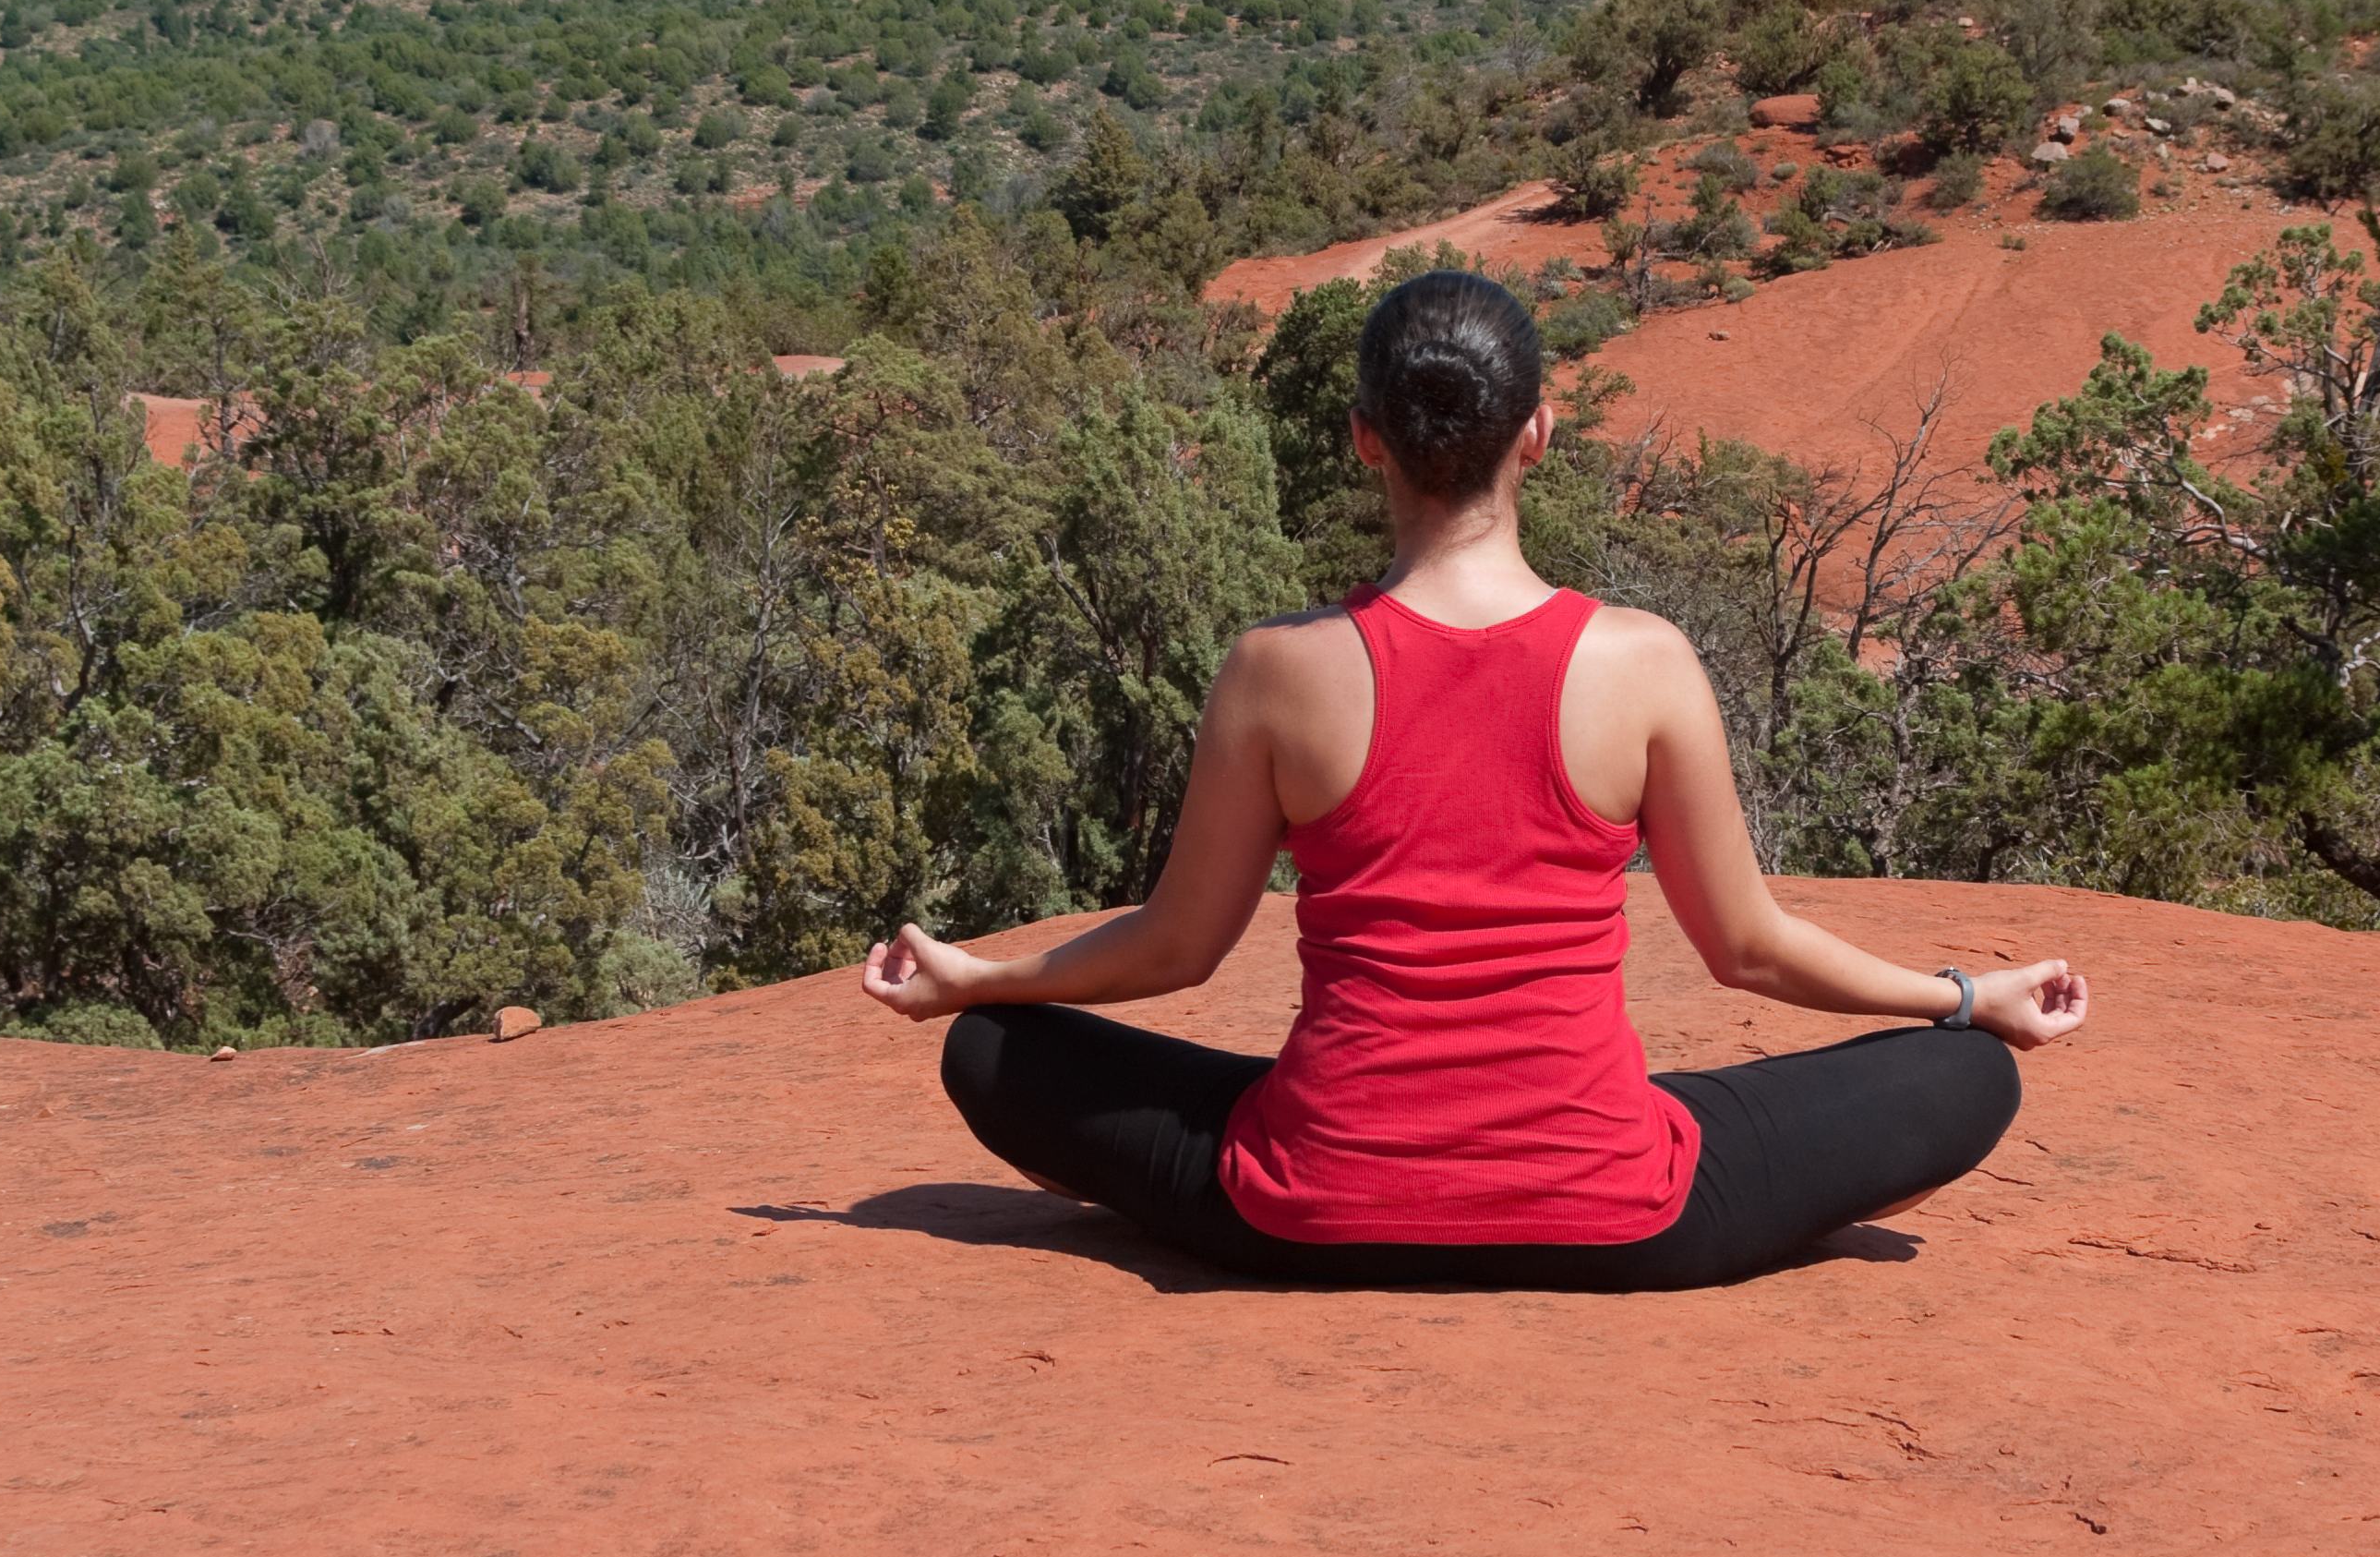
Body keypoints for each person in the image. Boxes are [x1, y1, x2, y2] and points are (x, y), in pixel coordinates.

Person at [859, 268, 2088, 1290]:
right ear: (1537, 433)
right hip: (1612, 1211)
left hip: (1314, 1207)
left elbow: (1179, 948)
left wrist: (985, 980)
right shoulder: (1642, 663)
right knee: (1967, 1069)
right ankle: (1575, 1139)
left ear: (1365, 439)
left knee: (993, 1051)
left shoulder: (1276, 670)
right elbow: (1750, 953)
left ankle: (1374, 1159)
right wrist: (1965, 995)